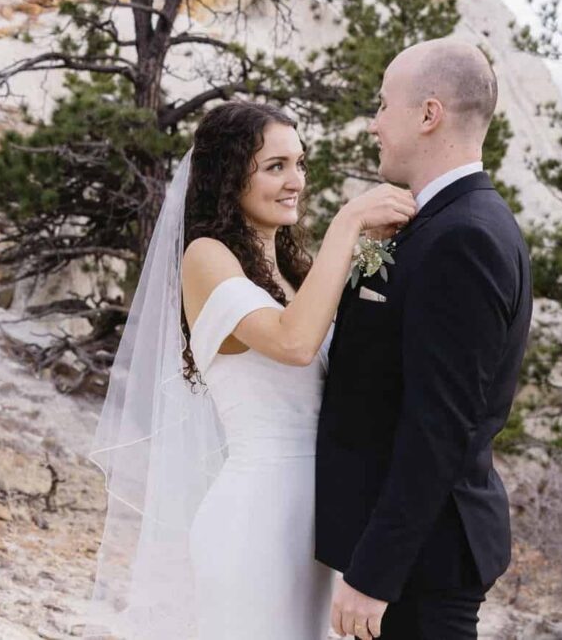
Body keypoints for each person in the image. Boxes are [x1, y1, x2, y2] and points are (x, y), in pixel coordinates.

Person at [86, 100, 416, 638]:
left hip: (320, 520)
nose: (296, 181)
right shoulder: (206, 257)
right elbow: (294, 343)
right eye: (275, 166)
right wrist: (349, 222)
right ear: (229, 175)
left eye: (300, 164)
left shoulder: (292, 272)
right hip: (256, 519)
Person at [316, 38, 534, 640]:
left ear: (428, 114)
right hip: (411, 554)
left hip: (423, 564)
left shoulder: (465, 238)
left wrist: (374, 576)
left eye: (384, 105)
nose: (374, 123)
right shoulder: (438, 222)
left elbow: (439, 428)